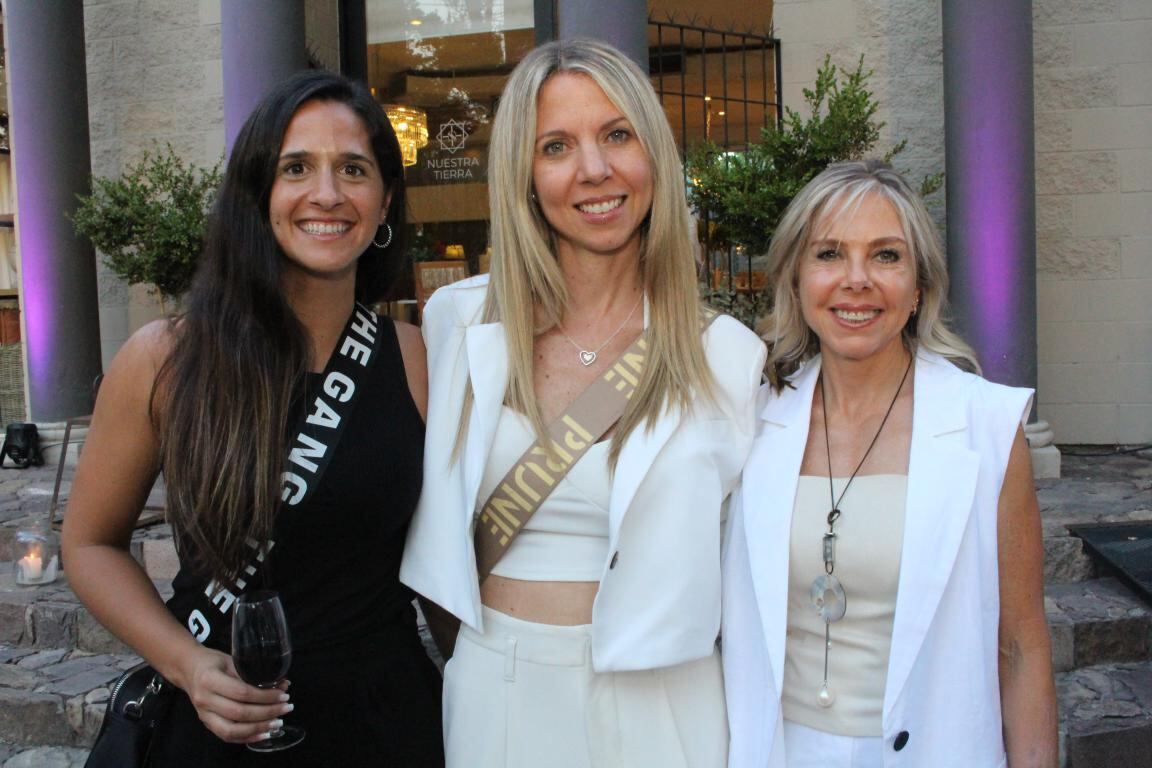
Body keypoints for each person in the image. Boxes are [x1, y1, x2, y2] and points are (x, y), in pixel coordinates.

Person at [400, 39, 766, 768]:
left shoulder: (728, 356)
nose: (594, 170)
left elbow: (748, 571)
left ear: (653, 156)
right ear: (526, 176)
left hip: (666, 701)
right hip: (494, 692)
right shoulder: (458, 324)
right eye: (557, 146)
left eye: (617, 135)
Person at [62, 71, 443, 766]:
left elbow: (447, 560)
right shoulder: (165, 360)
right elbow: (89, 545)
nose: (327, 194)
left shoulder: (420, 358)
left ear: (385, 199)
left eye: (353, 169)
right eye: (296, 167)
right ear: (258, 192)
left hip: (383, 724)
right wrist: (185, 663)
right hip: (218, 723)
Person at [722, 159, 1057, 768]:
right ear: (796, 277)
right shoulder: (748, 416)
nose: (857, 280)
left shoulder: (985, 427)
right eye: (829, 254)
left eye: (885, 256)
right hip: (778, 750)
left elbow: (1020, 644)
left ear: (920, 285)